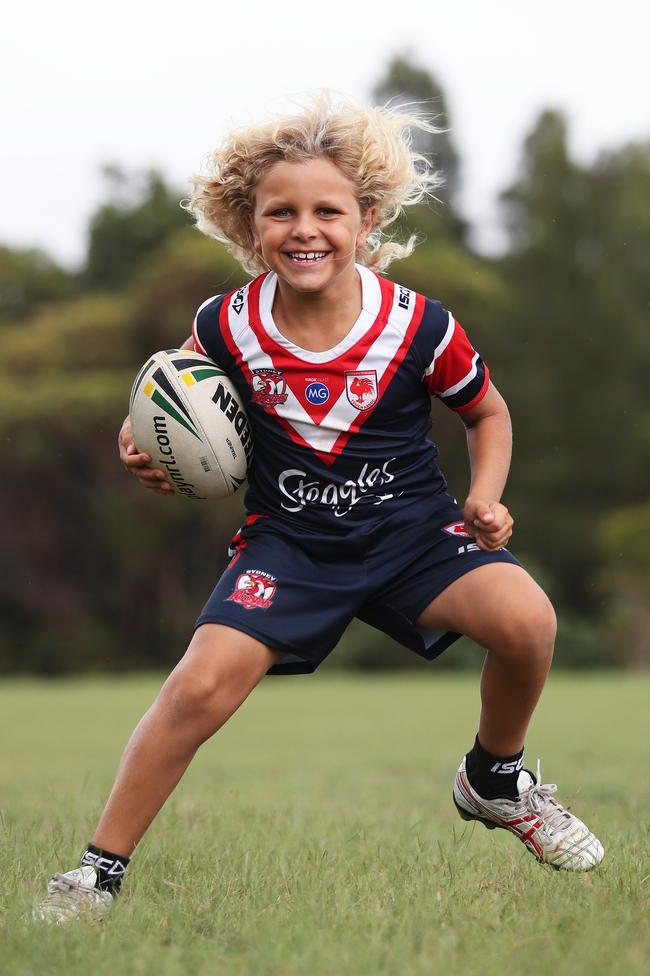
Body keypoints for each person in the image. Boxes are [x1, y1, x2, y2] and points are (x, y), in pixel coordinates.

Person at [33, 96, 603, 923]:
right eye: (282, 212)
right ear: (250, 225)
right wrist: (139, 439)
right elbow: (168, 391)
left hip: (413, 533)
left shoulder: (419, 326)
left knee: (529, 622)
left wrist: (484, 497)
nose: (306, 229)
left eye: (327, 211)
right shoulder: (226, 321)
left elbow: (489, 412)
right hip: (290, 546)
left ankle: (495, 779)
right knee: (196, 690)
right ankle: (94, 879)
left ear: (366, 219)